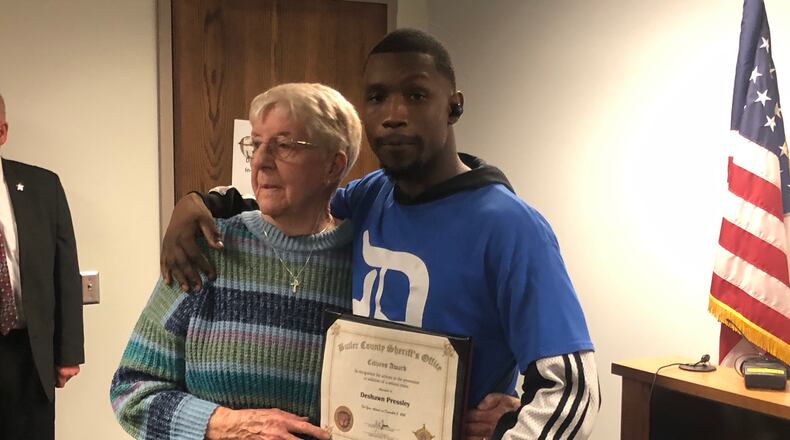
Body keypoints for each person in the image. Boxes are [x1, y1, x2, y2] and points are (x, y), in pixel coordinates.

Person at [162, 29, 600, 439]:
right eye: (377, 97)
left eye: (415, 95)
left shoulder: (511, 228)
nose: (393, 115)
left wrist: (511, 425)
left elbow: (574, 392)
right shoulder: (373, 195)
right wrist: (201, 203)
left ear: (454, 105)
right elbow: (295, 202)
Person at [111, 83, 362, 440]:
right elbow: (131, 391)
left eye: (284, 144)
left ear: (333, 165)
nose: (260, 161)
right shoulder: (207, 251)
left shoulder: (367, 265)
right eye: (256, 144)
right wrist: (227, 425)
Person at [0, 93, 84, 440]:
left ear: (2, 132)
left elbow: (64, 272)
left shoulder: (42, 186)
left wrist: (68, 352)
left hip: (28, 353)